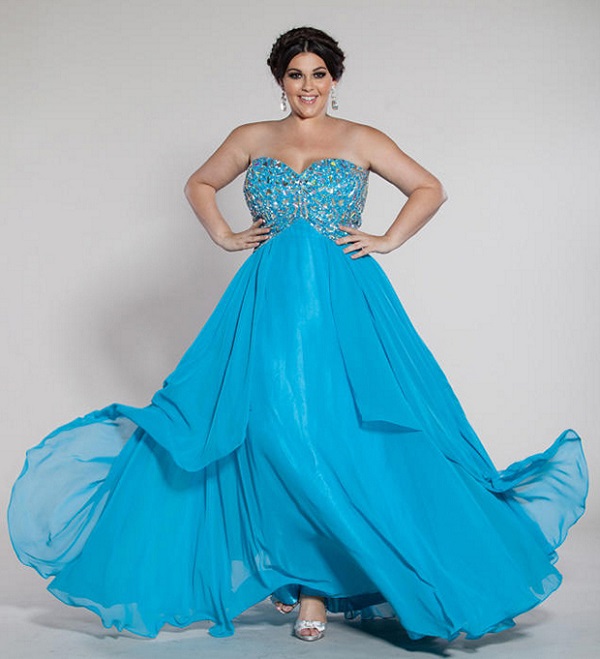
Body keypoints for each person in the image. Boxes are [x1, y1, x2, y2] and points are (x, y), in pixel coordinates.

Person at [8, 26, 588, 645]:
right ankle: (298, 572)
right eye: (295, 75)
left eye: (318, 74)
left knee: (343, 432)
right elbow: (199, 184)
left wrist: (387, 239)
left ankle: (317, 586)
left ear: (334, 79)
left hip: (344, 303)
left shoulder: (361, 138)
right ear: (279, 80)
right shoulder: (252, 138)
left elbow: (430, 188)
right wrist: (225, 235)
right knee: (271, 430)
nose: (307, 87)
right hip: (269, 301)